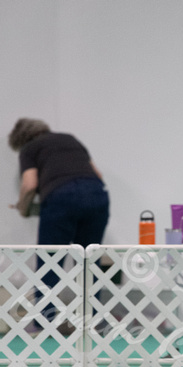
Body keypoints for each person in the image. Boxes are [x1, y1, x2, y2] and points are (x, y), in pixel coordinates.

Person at [9, 118, 110, 327]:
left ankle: (44, 326)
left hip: (61, 197)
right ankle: (92, 324)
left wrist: (22, 207)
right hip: (96, 195)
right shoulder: (69, 139)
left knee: (49, 262)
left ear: (20, 139)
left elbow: (30, 184)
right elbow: (98, 174)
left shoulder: (29, 148)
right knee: (89, 261)